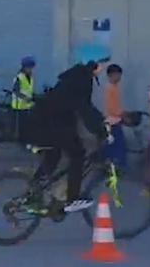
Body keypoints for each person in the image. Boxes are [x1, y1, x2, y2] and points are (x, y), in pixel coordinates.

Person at [27, 49, 110, 212]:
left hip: (48, 120)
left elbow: (85, 107)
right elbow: (84, 108)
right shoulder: (82, 79)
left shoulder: (77, 75)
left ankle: (34, 193)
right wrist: (101, 129)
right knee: (77, 153)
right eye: (101, 64)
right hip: (52, 122)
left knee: (54, 154)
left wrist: (101, 121)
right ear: (92, 63)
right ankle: (72, 198)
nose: (103, 68)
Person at [102, 64, 127, 169]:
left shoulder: (115, 87)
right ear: (111, 75)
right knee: (116, 144)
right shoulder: (110, 88)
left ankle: (111, 164)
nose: (119, 78)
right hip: (112, 121)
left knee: (115, 144)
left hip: (116, 119)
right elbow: (111, 107)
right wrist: (122, 114)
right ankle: (113, 165)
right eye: (118, 75)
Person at [10, 56, 36, 146]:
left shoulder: (31, 77)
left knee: (27, 125)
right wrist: (25, 98)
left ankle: (26, 140)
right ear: (24, 67)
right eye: (29, 67)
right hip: (19, 106)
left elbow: (29, 90)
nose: (31, 69)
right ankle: (21, 141)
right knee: (21, 125)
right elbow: (15, 91)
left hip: (28, 105)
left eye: (31, 67)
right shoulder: (19, 77)